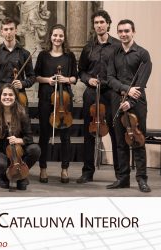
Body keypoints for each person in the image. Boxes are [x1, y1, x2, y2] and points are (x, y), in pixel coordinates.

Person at [107, 19, 152, 192]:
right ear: (118, 33)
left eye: (127, 31)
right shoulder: (114, 53)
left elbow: (141, 82)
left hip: (137, 102)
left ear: (133, 32)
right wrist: (126, 90)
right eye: (120, 32)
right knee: (120, 142)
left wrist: (130, 101)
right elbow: (110, 78)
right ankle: (123, 178)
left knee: (138, 140)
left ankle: (142, 179)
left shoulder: (143, 54)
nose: (123, 34)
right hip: (117, 100)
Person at [77, 10, 121, 184]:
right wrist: (89, 79)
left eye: (102, 22)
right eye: (96, 23)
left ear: (108, 24)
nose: (99, 25)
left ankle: (120, 174)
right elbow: (81, 71)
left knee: (116, 134)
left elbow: (122, 71)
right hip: (91, 93)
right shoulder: (89, 47)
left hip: (111, 93)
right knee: (89, 133)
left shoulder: (117, 46)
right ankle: (87, 172)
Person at [34, 24, 78, 184]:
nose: (57, 38)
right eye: (55, 35)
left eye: (60, 36)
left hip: (65, 100)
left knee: (66, 136)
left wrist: (66, 79)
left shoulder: (69, 56)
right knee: (44, 135)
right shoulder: (43, 55)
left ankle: (65, 169)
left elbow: (75, 77)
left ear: (64, 38)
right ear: (50, 36)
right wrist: (48, 80)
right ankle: (43, 168)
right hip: (46, 98)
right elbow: (35, 77)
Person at [0, 84, 41, 190]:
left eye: (11, 95)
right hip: (0, 150)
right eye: (4, 94)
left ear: (15, 97)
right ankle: (3, 176)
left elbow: (29, 138)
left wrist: (20, 140)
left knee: (35, 149)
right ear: (0, 96)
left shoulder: (22, 113)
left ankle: (21, 175)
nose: (7, 97)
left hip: (18, 153)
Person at [0, 17, 36, 113]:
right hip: (0, 95)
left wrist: (23, 83)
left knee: (21, 125)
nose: (8, 32)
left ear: (16, 30)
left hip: (19, 95)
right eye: (6, 29)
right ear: (2, 32)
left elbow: (32, 77)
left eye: (11, 29)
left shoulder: (25, 53)